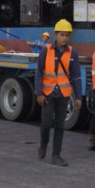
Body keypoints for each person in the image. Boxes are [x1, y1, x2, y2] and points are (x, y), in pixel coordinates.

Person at [34, 19, 82, 167]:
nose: (65, 38)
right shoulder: (46, 50)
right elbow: (39, 73)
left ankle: (56, 155)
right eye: (62, 35)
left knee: (60, 126)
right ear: (55, 35)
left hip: (63, 94)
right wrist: (39, 93)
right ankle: (43, 146)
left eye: (67, 35)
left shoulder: (72, 52)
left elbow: (76, 76)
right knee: (46, 123)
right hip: (48, 94)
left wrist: (79, 97)